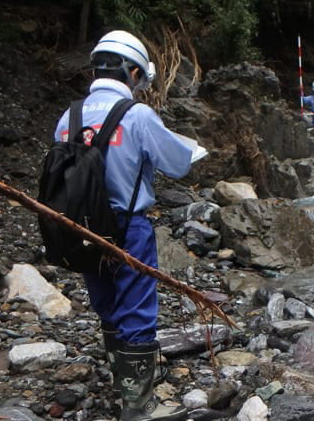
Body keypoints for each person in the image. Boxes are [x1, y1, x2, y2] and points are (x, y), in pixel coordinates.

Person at [53, 30, 193, 421]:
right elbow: (179, 164)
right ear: (132, 71)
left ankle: (122, 384)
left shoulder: (69, 116)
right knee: (138, 310)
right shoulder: (137, 115)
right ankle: (139, 406)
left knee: (108, 307)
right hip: (128, 227)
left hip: (80, 229)